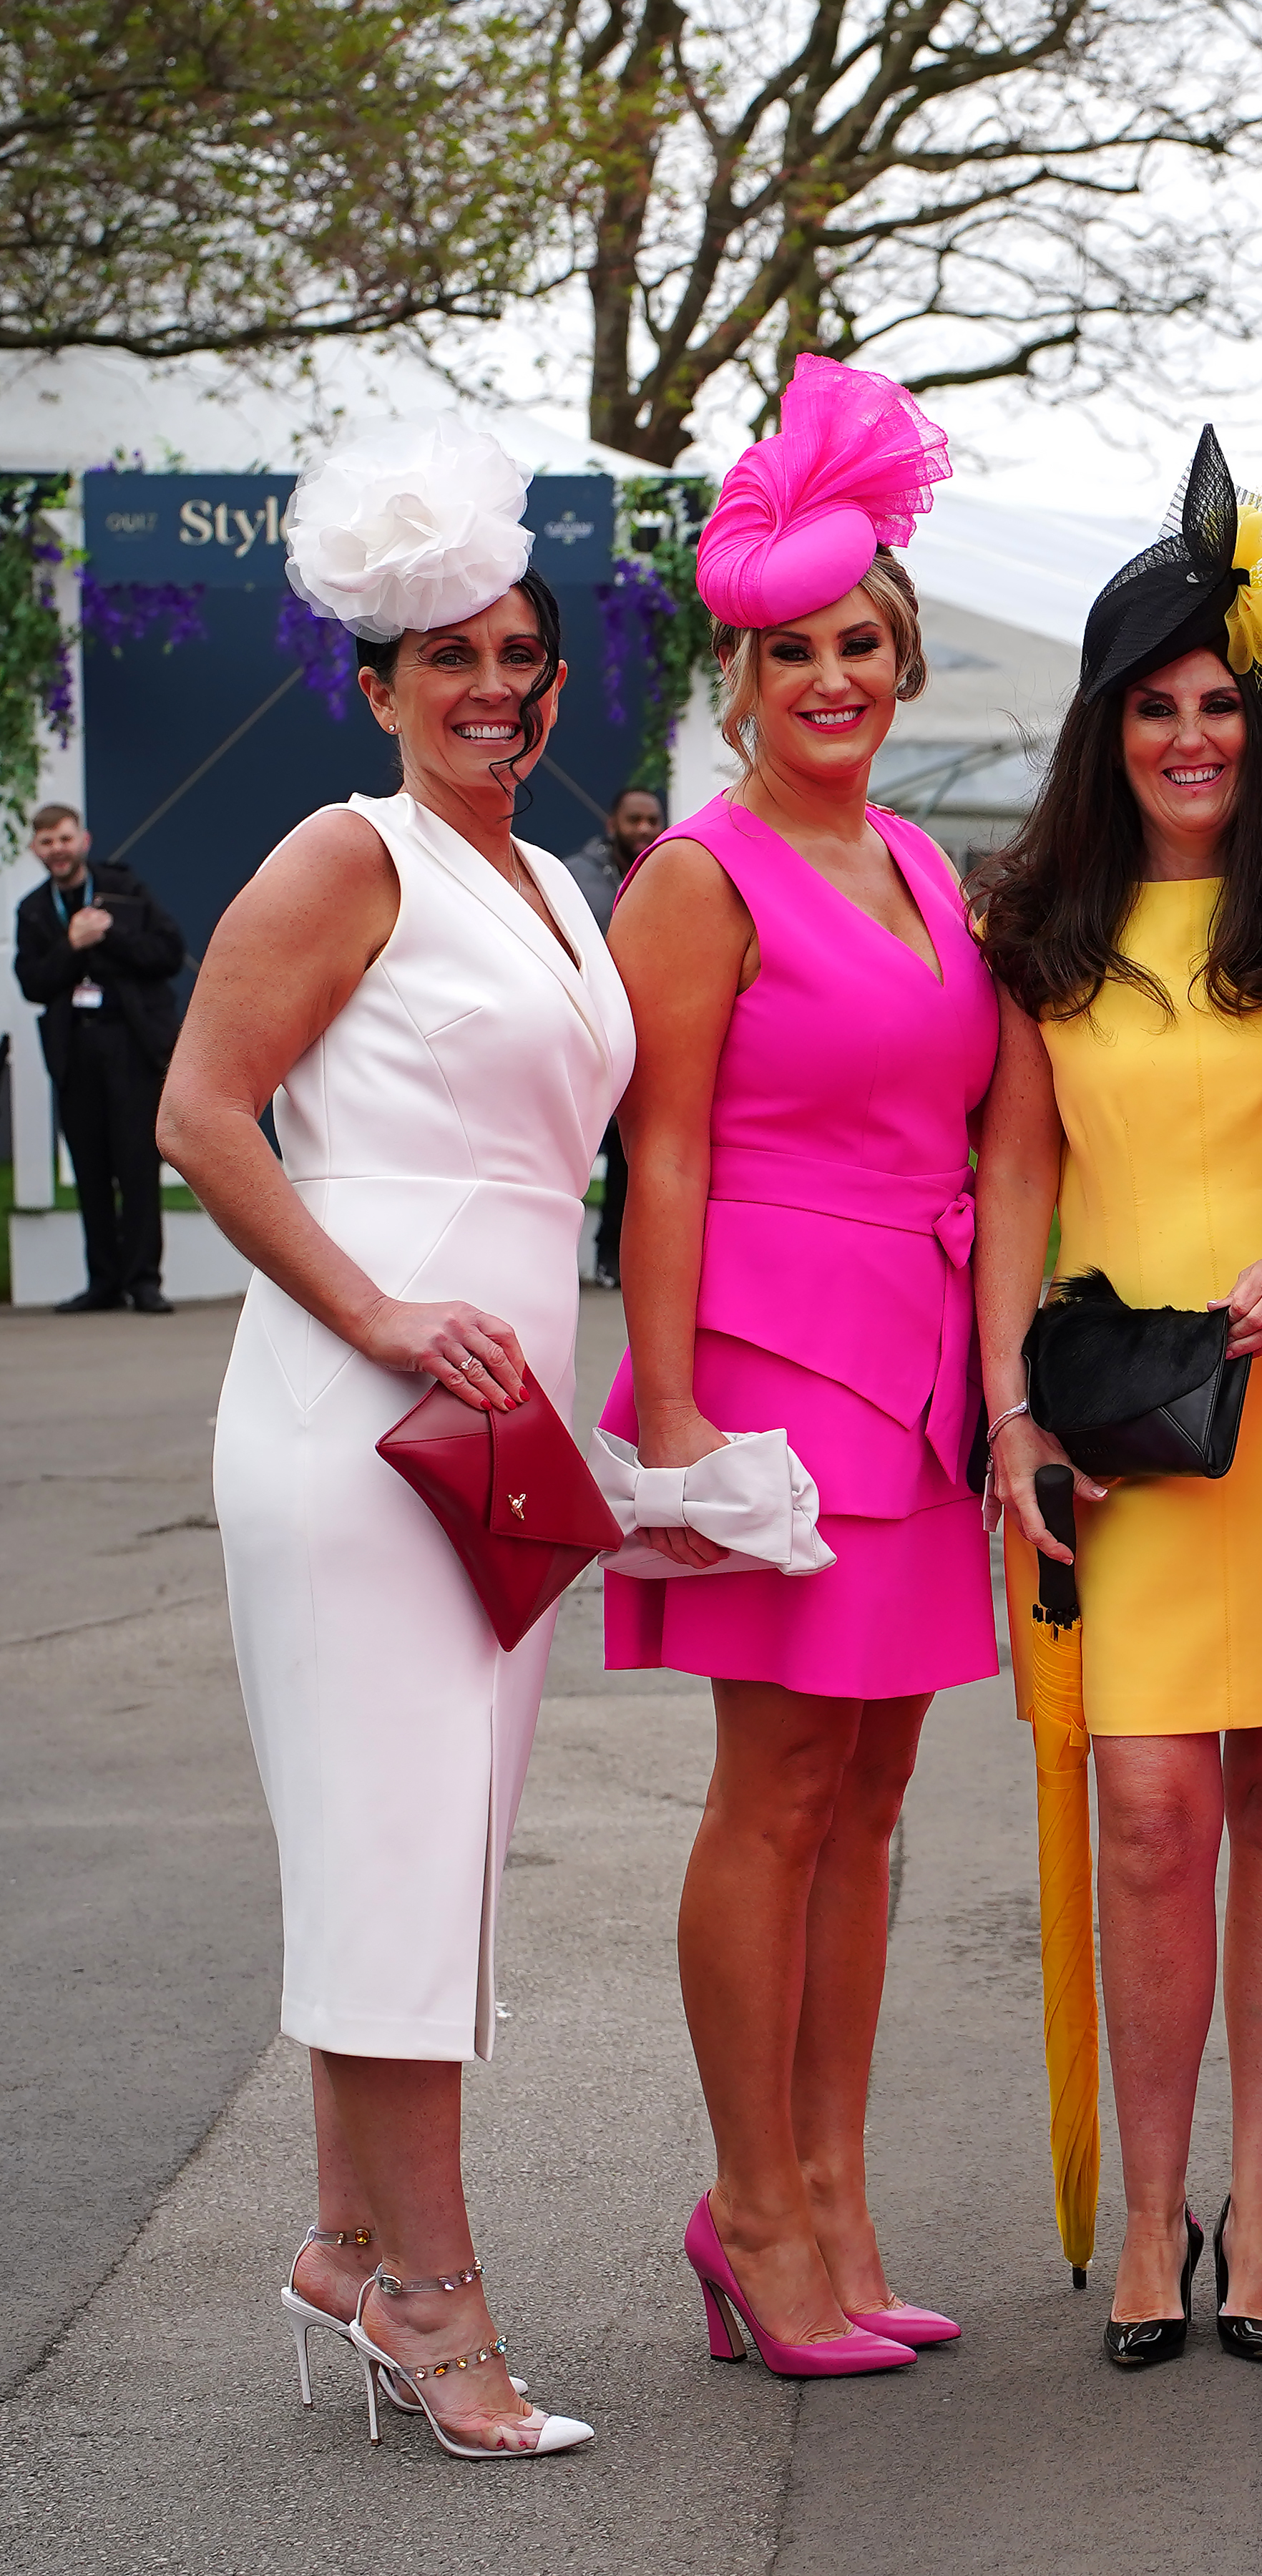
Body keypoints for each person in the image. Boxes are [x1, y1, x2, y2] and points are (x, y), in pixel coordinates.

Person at [155, 421, 628, 2458]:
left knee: (419, 1867)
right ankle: (437, 2310)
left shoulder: (544, 875)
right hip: (361, 1430)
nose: (498, 688)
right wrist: (375, 1314)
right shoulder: (351, 851)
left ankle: (352, 2245)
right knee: (405, 1862)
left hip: (487, 1440)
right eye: (453, 658)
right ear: (377, 682)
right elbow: (199, 1114)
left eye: (522, 652)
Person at [972, 425, 1262, 2368]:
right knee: (1147, 1807)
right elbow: (1014, 1185)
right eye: (1155, 705)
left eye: (1225, 703)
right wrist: (1011, 1423)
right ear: (1106, 724)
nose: (1193, 737)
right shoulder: (1040, 934)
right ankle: (1149, 2213)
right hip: (1121, 1432)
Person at [604, 356, 997, 2379]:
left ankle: (831, 2201)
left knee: (876, 1788)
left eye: (859, 644)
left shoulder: (927, 872)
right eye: (790, 652)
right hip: (769, 1366)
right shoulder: (703, 873)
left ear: (898, 659)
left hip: (919, 1380)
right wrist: (670, 1416)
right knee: (774, 1793)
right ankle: (750, 2209)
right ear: (740, 681)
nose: (829, 677)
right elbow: (658, 1150)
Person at [15, 799, 187, 1312]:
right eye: (47, 842)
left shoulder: (124, 890)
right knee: (90, 1169)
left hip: (130, 1046)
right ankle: (104, 1283)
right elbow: (33, 984)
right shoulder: (34, 910)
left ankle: (144, 1281)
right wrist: (72, 944)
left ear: (82, 841)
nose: (57, 850)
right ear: (35, 850)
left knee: (137, 1165)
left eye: (64, 839)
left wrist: (107, 934)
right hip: (76, 1051)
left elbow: (168, 953)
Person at [562, 783, 667, 1285]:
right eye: (635, 820)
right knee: (569, 1155)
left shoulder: (667, 876)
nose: (644, 829)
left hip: (642, 1052)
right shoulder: (574, 880)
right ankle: (555, 1259)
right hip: (582, 1046)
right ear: (613, 825)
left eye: (652, 820)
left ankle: (610, 1260)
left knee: (630, 1163)